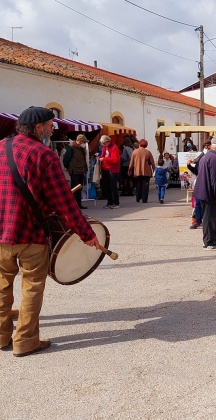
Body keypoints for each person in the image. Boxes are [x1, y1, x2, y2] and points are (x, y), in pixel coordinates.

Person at [0, 106, 100, 357]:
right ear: (37, 128)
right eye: (49, 124)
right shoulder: (44, 155)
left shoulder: (0, 147)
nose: (52, 128)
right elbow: (63, 202)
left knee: (1, 285)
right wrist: (86, 233)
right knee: (32, 287)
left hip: (0, 233)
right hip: (30, 233)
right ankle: (25, 340)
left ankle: (1, 336)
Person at [193, 137, 216, 250]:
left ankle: (215, 240)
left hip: (203, 191)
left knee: (212, 218)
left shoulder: (206, 156)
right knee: (208, 218)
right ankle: (208, 242)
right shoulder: (214, 158)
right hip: (208, 192)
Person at [187, 139, 212, 229]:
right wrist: (189, 166)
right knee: (197, 203)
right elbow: (197, 171)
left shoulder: (213, 157)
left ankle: (208, 221)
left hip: (209, 184)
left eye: (207, 145)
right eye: (205, 146)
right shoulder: (201, 157)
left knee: (208, 204)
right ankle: (197, 221)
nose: (206, 147)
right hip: (200, 183)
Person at [63, 134, 89, 209]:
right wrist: (70, 168)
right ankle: (74, 205)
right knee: (75, 189)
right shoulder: (71, 149)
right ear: (80, 141)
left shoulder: (81, 149)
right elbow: (66, 160)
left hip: (81, 171)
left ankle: (79, 204)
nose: (84, 144)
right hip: (75, 171)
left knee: (79, 189)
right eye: (83, 142)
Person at [128, 139, 156, 203]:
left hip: (137, 171)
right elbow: (152, 163)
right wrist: (154, 171)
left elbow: (131, 162)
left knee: (138, 184)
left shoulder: (135, 152)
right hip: (146, 171)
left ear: (139, 144)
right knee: (145, 186)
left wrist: (129, 169)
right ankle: (144, 199)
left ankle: (138, 198)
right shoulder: (148, 152)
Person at [98, 135, 121, 209]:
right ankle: (109, 202)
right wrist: (100, 157)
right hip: (105, 168)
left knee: (113, 186)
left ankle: (116, 202)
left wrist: (104, 159)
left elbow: (115, 160)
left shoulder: (115, 147)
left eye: (104, 143)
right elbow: (102, 155)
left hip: (112, 169)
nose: (103, 145)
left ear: (108, 141)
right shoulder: (105, 147)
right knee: (106, 186)